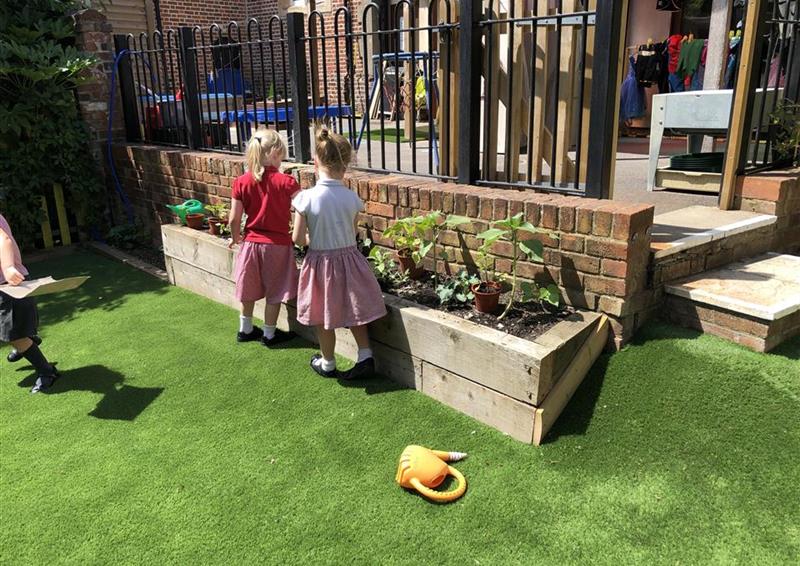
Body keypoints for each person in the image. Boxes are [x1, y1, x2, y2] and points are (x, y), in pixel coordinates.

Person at [292, 128, 386, 379]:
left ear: (315, 161)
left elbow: (298, 239)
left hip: (321, 265)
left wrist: (312, 238)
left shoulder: (306, 198)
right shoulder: (351, 198)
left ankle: (328, 362)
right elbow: (352, 233)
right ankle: (365, 354)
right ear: (345, 164)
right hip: (350, 261)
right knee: (355, 307)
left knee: (324, 314)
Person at [229, 127, 299, 347]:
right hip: (277, 245)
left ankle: (245, 329)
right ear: (275, 154)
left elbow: (233, 218)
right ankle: (269, 335)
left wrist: (235, 237)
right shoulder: (287, 182)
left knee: (247, 287)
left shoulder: (241, 182)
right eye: (282, 156)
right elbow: (304, 209)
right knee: (276, 290)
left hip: (250, 243)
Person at [0, 214, 60, 393]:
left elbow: (3, 240)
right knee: (11, 330)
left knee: (14, 335)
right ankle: (27, 341)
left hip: (8, 285)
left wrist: (9, 267)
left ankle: (46, 371)